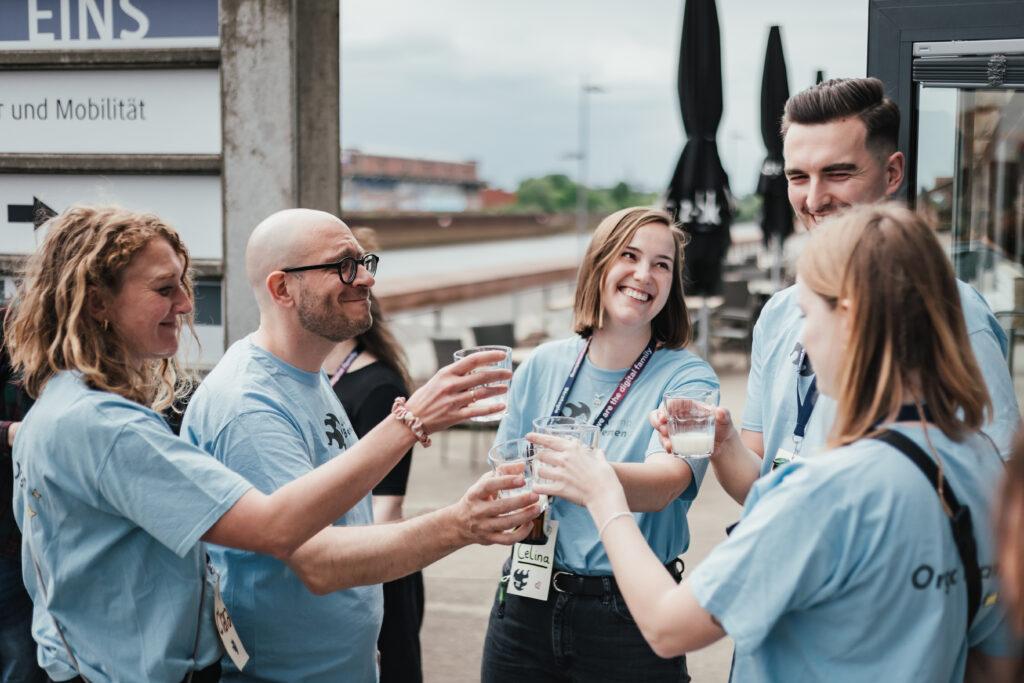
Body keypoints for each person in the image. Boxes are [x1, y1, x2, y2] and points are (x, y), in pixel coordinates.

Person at [6, 205, 536, 683]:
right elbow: (283, 533)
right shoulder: (118, 425)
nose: (187, 304)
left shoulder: (69, 403)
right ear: (98, 302)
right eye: (165, 289)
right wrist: (445, 486)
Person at [536, 203, 1020, 681]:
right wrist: (726, 442)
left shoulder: (823, 493)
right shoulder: (981, 467)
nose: (804, 339)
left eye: (808, 313)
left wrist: (603, 492)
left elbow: (667, 626)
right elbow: (994, 660)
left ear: (849, 318)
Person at [181, 208, 542, 682]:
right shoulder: (248, 406)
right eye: (344, 265)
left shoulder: (306, 374)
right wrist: (462, 523)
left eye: (366, 261)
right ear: (281, 288)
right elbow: (319, 563)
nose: (367, 278)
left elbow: (349, 515)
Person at [666, 77, 1019, 507]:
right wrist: (722, 442)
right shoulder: (779, 312)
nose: (814, 199)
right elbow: (761, 488)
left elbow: (997, 486)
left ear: (892, 173)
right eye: (798, 177)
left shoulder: (949, 309)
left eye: (838, 173)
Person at [479, 207, 719, 682]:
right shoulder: (544, 364)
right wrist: (514, 504)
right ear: (599, 264)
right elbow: (506, 473)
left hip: (628, 614)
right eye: (629, 256)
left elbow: (666, 484)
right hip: (528, 596)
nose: (643, 274)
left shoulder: (690, 378)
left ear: (672, 285)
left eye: (661, 264)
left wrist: (584, 476)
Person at [324, 228, 424, 683]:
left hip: (373, 575)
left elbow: (387, 507)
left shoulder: (379, 385)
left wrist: (351, 599)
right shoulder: (313, 380)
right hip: (341, 566)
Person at [0, 307, 45, 683]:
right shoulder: (7, 328)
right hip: (8, 543)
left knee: (25, 661)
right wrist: (11, 433)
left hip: (37, 540)